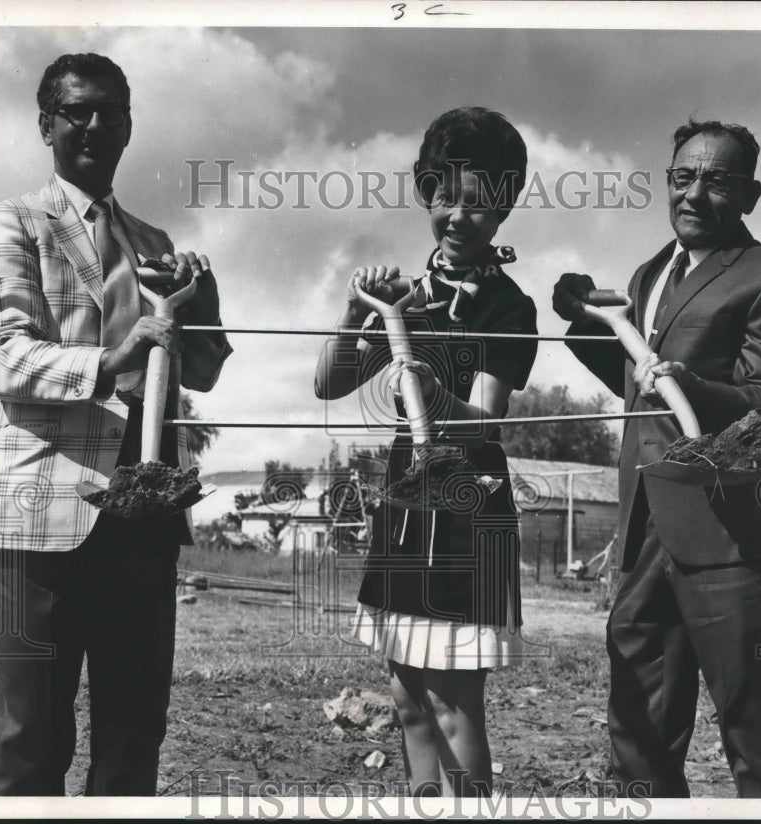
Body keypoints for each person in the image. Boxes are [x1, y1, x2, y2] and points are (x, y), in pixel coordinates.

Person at [0, 53, 232, 795]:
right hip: (37, 515)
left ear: (130, 127)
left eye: (112, 111)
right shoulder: (9, 222)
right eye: (77, 111)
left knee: (134, 733)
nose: (95, 125)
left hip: (141, 520)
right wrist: (113, 357)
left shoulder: (156, 245)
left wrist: (199, 302)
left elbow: (200, 370)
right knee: (31, 738)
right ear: (47, 125)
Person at [552, 119, 761, 798]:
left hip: (735, 537)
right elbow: (633, 378)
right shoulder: (650, 273)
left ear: (750, 196)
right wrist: (582, 320)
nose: (695, 193)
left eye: (716, 180)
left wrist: (687, 380)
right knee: (637, 735)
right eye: (683, 176)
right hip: (647, 536)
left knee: (760, 738)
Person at [314, 107, 537, 797]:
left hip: (470, 509)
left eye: (478, 203)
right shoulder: (404, 299)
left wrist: (431, 396)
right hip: (408, 503)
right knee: (408, 696)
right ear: (426, 196)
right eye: (445, 197)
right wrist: (358, 317)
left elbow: (485, 424)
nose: (458, 216)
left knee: (452, 700)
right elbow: (328, 383)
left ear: (502, 212)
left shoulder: (510, 308)